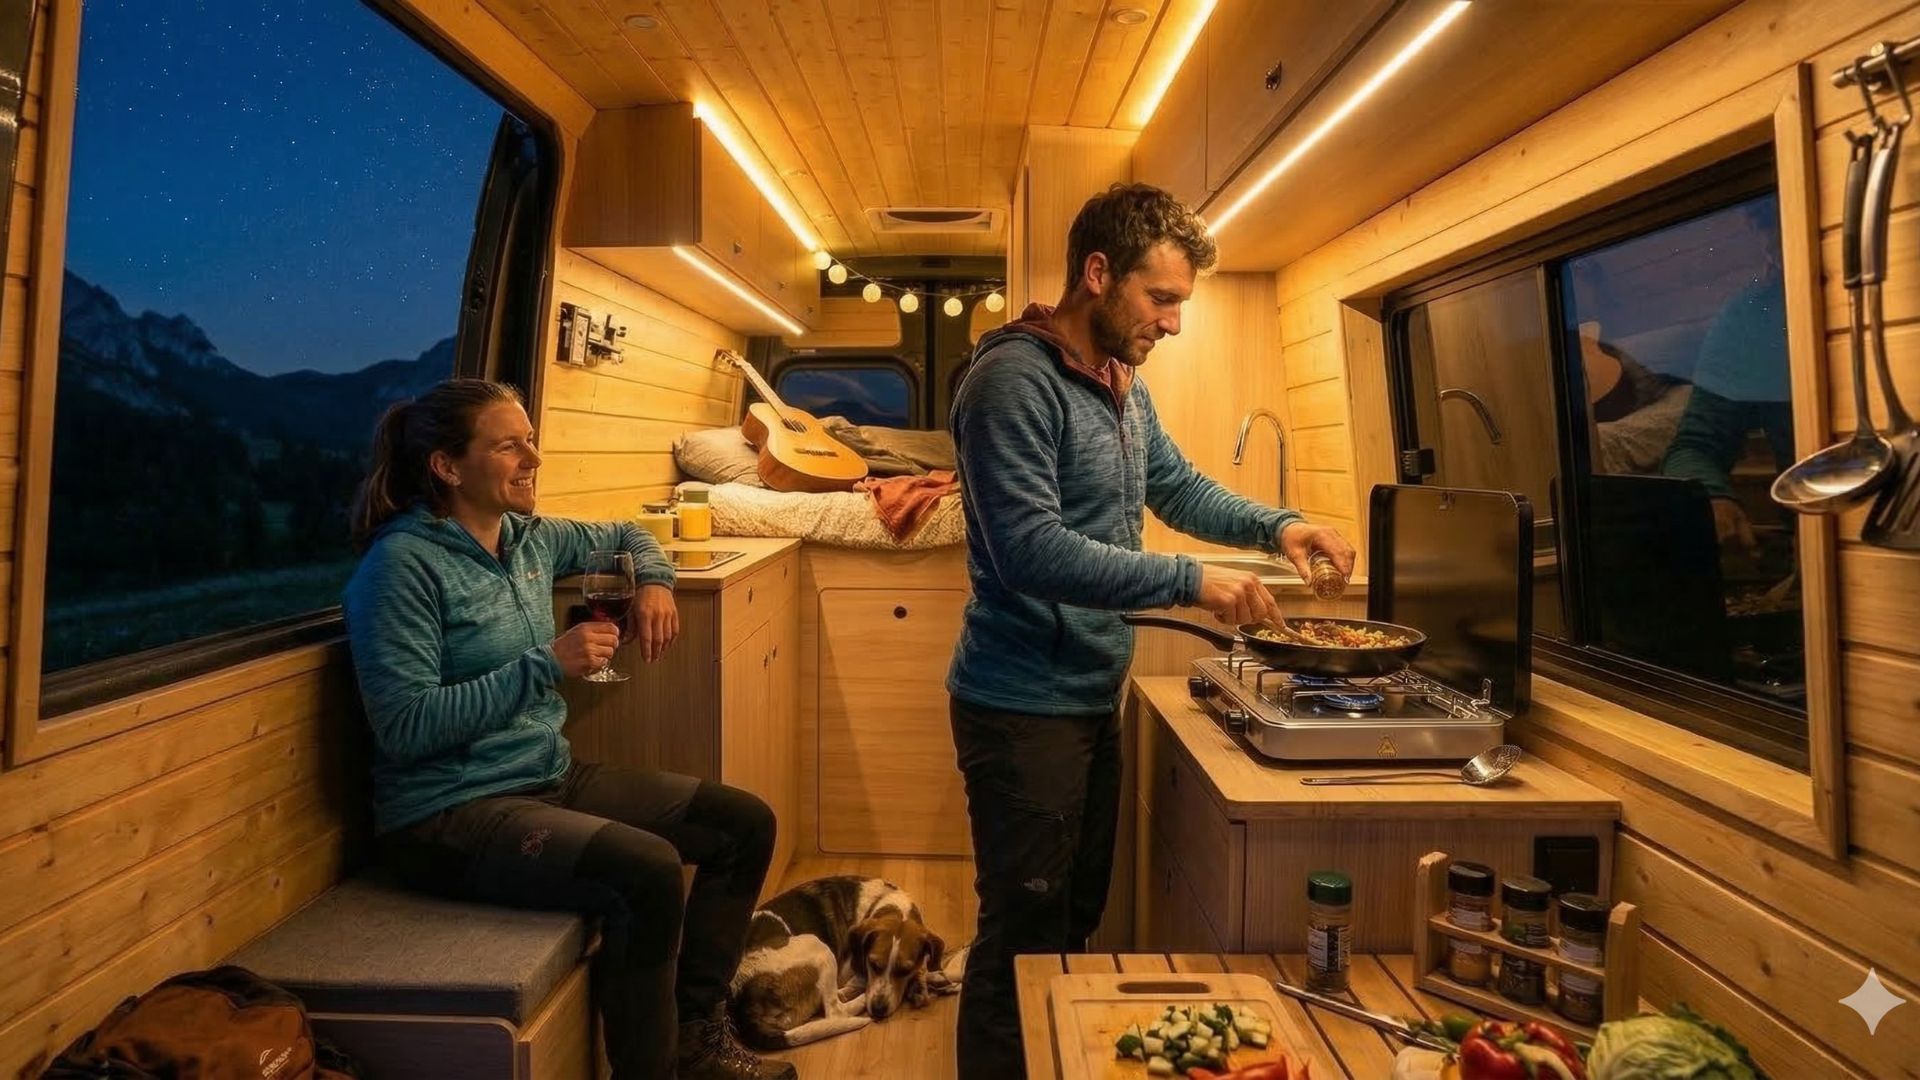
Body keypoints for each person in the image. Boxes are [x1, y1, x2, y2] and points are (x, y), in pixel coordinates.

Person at [945, 184, 1355, 1078]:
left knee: (1074, 914)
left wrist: (1281, 525)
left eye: (1180, 303)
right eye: (1161, 298)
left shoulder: (1122, 384)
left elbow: (1177, 488)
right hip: (1020, 704)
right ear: (1098, 274)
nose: (1173, 322)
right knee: (1022, 929)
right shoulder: (1012, 381)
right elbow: (1029, 551)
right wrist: (1189, 580)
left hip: (1092, 691)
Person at [342, 379, 794, 1080]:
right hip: (448, 813)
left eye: (530, 440)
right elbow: (405, 726)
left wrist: (656, 582)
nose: (533, 459)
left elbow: (628, 534)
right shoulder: (401, 568)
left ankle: (697, 1038)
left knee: (743, 823)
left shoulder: (526, 538)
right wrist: (546, 665)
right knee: (646, 871)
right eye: (509, 446)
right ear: (447, 466)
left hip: (544, 774)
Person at [1661, 201, 1797, 560]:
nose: (1773, 234)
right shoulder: (1750, 318)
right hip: (1812, 542)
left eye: (1772, 215)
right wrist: (1712, 495)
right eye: (1762, 220)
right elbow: (1694, 447)